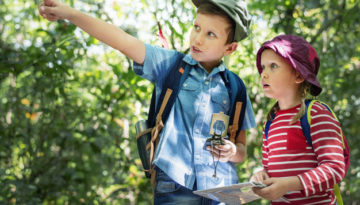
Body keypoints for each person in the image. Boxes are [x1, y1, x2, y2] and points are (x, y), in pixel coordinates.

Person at [38, 0, 256, 204]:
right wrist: (71, 14)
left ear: (230, 48)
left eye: (210, 34)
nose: (197, 38)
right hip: (174, 186)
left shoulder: (235, 87)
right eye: (196, 27)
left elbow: (241, 150)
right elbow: (122, 41)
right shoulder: (171, 65)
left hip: (220, 192)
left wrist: (232, 152)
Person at [251, 34, 345, 204]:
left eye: (273, 66)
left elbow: (335, 168)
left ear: (299, 75)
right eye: (263, 67)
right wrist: (261, 175)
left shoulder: (316, 114)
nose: (263, 74)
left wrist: (290, 184)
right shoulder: (270, 123)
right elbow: (269, 169)